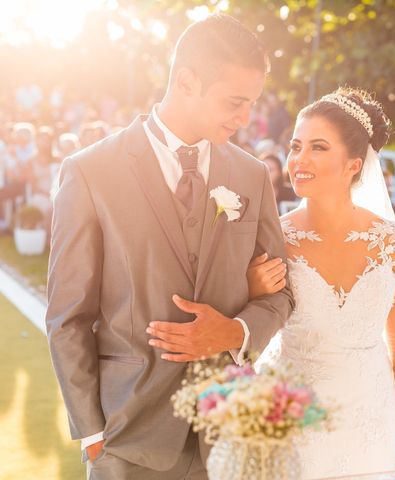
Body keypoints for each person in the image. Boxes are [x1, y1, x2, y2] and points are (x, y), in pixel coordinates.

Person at [46, 14, 294, 479]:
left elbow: (281, 292)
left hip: (228, 433)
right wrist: (93, 432)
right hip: (127, 434)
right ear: (186, 81)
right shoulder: (90, 172)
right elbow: (68, 316)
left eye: (252, 104)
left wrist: (236, 331)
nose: (246, 119)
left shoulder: (251, 175)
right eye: (235, 102)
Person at [247, 87, 395, 479]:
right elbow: (248, 326)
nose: (299, 159)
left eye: (318, 147)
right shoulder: (274, 238)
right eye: (295, 147)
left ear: (353, 165)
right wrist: (253, 291)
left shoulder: (391, 241)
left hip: (370, 416)